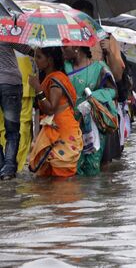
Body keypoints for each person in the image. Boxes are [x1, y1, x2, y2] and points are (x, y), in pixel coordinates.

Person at [28, 47, 83, 177]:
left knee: (61, 180)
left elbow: (51, 108)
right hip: (55, 130)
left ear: (50, 60)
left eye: (39, 57)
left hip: (62, 131)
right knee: (50, 179)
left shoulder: (56, 79)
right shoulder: (52, 77)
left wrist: (37, 89)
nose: (35, 60)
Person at [63, 46, 117, 176]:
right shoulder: (63, 67)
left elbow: (112, 91)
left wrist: (92, 98)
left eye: (65, 47)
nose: (62, 50)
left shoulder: (99, 68)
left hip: (93, 124)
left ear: (77, 48)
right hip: (69, 123)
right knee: (70, 165)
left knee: (92, 165)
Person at [0, 43, 32, 180]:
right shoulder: (5, 30)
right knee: (12, 131)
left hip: (10, 83)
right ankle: (8, 169)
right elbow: (27, 50)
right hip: (10, 83)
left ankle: (2, 165)